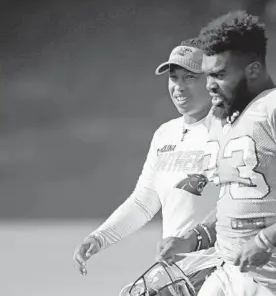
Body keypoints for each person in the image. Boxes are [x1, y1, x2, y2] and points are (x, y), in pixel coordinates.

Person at [157, 11, 276, 296]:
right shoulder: (224, 120)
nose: (209, 83)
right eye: (208, 74)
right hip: (227, 271)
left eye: (220, 74)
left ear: (252, 70)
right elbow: (240, 202)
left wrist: (265, 240)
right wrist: (194, 238)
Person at [72, 38, 221, 293]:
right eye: (174, 78)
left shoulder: (232, 128)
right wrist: (100, 237)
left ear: (212, 80)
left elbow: (245, 204)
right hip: (177, 277)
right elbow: (144, 202)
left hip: (222, 270)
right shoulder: (165, 134)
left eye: (190, 77)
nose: (179, 87)